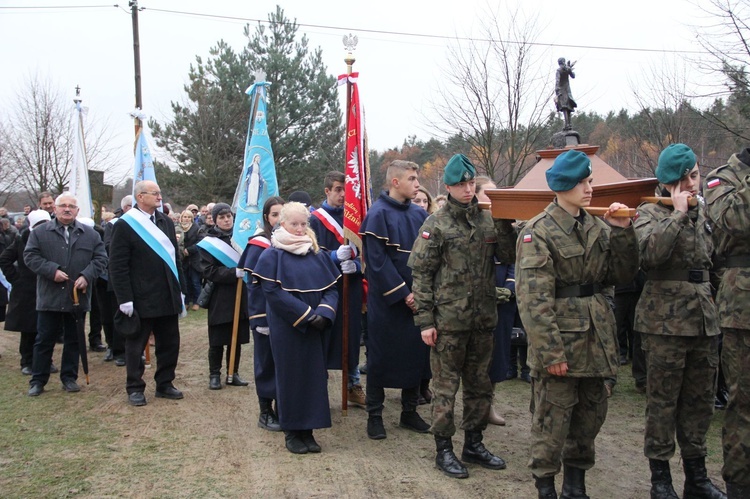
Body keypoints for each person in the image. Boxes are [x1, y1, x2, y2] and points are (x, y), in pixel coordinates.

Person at [515, 149, 638, 498]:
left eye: (590, 181)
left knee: (589, 418)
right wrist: (551, 353)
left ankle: (575, 486)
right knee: (551, 422)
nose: (589, 188)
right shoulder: (538, 231)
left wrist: (623, 233)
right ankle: (545, 487)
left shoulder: (598, 226)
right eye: (583, 182)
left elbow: (622, 275)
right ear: (564, 185)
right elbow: (533, 299)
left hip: (596, 339)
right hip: (561, 344)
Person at [408, 154, 517, 479]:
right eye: (461, 184)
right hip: (448, 324)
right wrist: (425, 321)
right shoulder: (436, 224)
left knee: (479, 386)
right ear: (449, 186)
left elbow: (508, 255)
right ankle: (444, 449)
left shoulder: (487, 220)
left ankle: (474, 443)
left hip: (483, 320)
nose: (468, 189)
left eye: (472, 183)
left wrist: (503, 222)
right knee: (446, 389)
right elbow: (422, 276)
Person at [633, 143, 725, 499]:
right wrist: (677, 214)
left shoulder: (703, 214)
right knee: (663, 403)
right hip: (664, 325)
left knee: (699, 402)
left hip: (703, 322)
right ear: (671, 181)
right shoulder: (650, 212)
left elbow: (710, 265)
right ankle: (661, 480)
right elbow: (649, 255)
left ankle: (697, 477)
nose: (694, 184)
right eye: (687, 178)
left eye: (696, 175)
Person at [253, 201, 340, 454]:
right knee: (291, 377)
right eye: (294, 224)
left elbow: (331, 289)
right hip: (288, 326)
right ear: (282, 224)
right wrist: (305, 315)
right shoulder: (272, 255)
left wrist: (324, 313)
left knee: (314, 377)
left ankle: (309, 430)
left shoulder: (317, 253)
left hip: (318, 327)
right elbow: (271, 291)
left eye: (303, 224)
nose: (300, 229)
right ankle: (292, 431)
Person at [360, 160, 431, 440]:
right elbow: (377, 264)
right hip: (388, 303)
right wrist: (404, 294)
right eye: (412, 179)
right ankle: (374, 415)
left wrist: (421, 294)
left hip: (418, 299)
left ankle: (409, 411)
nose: (417, 184)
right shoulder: (377, 214)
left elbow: (428, 257)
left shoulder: (418, 214)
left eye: (417, 178)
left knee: (416, 357)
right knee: (380, 358)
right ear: (395, 182)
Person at [109, 181, 186, 407]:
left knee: (170, 343)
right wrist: (124, 298)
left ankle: (164, 383)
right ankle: (134, 387)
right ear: (140, 196)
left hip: (167, 294)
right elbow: (118, 265)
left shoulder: (165, 222)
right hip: (140, 296)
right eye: (155, 194)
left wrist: (180, 290)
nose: (159, 197)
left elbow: (175, 260)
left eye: (160, 193)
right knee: (135, 345)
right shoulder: (126, 225)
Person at [24, 193, 108, 396]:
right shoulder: (40, 232)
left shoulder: (90, 234)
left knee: (74, 340)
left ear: (78, 211)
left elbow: (101, 258)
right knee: (44, 340)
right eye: (63, 205)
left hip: (77, 297)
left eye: (72, 206)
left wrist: (87, 276)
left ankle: (69, 378)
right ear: (55, 209)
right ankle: (38, 380)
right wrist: (51, 270)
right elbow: (30, 256)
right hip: (50, 296)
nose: (67, 209)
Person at [703, 146, 750, 499]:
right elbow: (734, 221)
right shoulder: (723, 178)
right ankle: (740, 482)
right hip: (743, 304)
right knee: (744, 401)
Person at [308, 170, 366, 407]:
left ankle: (353, 384)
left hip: (350, 285)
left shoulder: (355, 217)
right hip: (326, 286)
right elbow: (309, 253)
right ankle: (318, 388)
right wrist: (332, 255)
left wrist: (357, 264)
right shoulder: (314, 219)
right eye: (338, 190)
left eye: (346, 190)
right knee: (324, 335)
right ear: (327, 191)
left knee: (351, 335)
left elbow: (367, 251)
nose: (343, 195)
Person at [241, 196, 285, 431]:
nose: (279, 219)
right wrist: (259, 318)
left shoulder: (292, 241)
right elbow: (254, 285)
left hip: (287, 316)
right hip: (266, 316)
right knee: (266, 363)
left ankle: (284, 408)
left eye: (282, 214)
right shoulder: (260, 244)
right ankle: (265, 411)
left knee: (284, 363)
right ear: (267, 218)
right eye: (274, 215)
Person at [476, 176, 515, 426]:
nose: (494, 199)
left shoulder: (505, 223)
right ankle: (475, 406)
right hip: (479, 301)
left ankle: (489, 405)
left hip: (504, 301)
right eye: (489, 194)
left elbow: (513, 258)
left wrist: (509, 288)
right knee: (477, 358)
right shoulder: (474, 225)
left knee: (497, 357)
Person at [197, 203, 250, 390]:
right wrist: (231, 273)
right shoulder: (208, 243)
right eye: (222, 217)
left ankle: (233, 372)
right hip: (220, 295)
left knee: (237, 335)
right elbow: (207, 270)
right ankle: (214, 374)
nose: (227, 220)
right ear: (214, 219)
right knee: (218, 337)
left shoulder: (241, 239)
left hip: (241, 293)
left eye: (229, 216)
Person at [0, 210, 50, 375]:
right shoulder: (22, 238)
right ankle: (27, 361)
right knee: (29, 328)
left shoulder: (53, 238)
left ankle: (45, 361)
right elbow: (5, 259)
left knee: (47, 328)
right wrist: (16, 279)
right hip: (27, 290)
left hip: (49, 287)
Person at [103, 195, 133, 366]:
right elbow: (108, 247)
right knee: (117, 313)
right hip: (117, 276)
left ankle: (131, 349)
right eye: (130, 206)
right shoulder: (112, 225)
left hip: (137, 277)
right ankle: (117, 349)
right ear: (124, 208)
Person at [180, 209, 203, 311]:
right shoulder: (178, 228)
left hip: (194, 258)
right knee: (185, 282)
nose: (187, 219)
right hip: (183, 259)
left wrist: (189, 250)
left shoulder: (197, 228)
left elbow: (200, 242)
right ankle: (186, 301)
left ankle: (196, 301)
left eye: (189, 217)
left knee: (195, 282)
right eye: (185, 217)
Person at [555, 57, 577, 130]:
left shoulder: (559, 70)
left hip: (562, 91)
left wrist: (557, 90)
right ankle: (568, 124)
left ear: (559, 63)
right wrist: (569, 69)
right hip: (567, 91)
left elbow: (557, 81)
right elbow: (573, 76)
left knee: (565, 107)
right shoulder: (567, 69)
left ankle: (567, 125)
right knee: (568, 108)